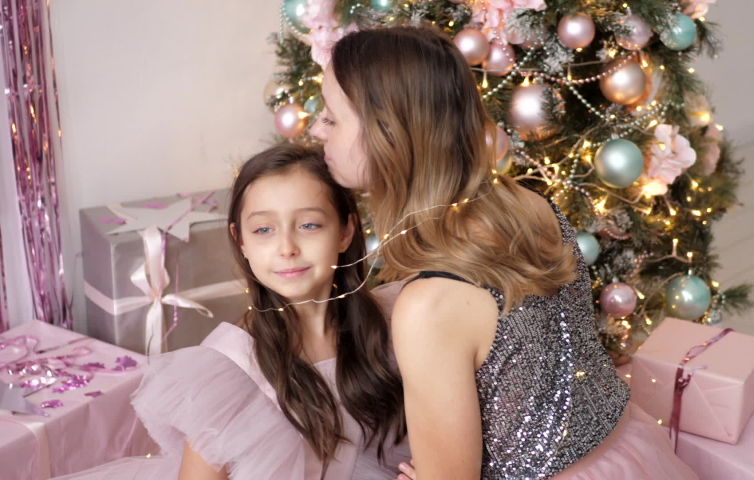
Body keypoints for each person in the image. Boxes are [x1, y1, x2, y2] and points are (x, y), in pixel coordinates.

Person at [310, 26, 698, 480]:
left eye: (332, 117)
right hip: (624, 451)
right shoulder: (528, 204)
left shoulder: (430, 304)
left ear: (390, 135)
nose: (316, 128)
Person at [55, 143, 409, 480]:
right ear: (241, 240)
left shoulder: (395, 321)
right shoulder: (232, 368)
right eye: (264, 230)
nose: (287, 247)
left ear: (346, 231)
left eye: (308, 225)